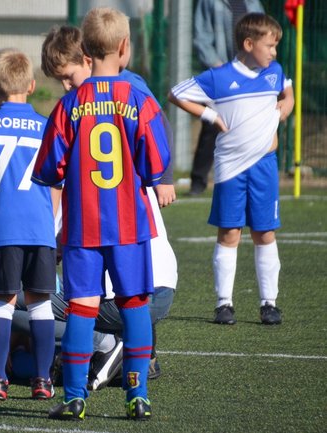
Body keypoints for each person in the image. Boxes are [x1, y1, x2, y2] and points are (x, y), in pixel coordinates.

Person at [33, 8, 171, 421]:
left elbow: (48, 169)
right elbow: (156, 162)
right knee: (134, 304)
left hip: (83, 226)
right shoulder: (138, 99)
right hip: (129, 223)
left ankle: (75, 397)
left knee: (81, 307)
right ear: (124, 47)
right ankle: (138, 395)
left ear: (85, 51)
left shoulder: (68, 104)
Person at [169, 13, 293, 325]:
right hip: (230, 168)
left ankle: (269, 303)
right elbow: (176, 93)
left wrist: (286, 106)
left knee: (265, 232)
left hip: (264, 166)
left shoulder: (274, 71)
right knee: (229, 233)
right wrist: (210, 116)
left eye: (276, 46)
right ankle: (224, 303)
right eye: (270, 46)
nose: (274, 52)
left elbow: (287, 90)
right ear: (249, 44)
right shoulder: (219, 77)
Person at [0, 48, 59, 401]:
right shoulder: (47, 127)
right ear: (32, 85)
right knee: (40, 302)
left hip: (2, 227)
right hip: (39, 229)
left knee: (0, 300)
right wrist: (49, 223)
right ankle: (43, 380)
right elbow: (56, 182)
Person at [188, 0, 265, 195]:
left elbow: (264, 33)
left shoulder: (253, 3)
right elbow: (201, 38)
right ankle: (198, 181)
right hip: (222, 73)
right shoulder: (209, 2)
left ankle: (250, 177)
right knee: (212, 126)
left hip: (249, 75)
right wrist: (221, 68)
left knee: (251, 125)